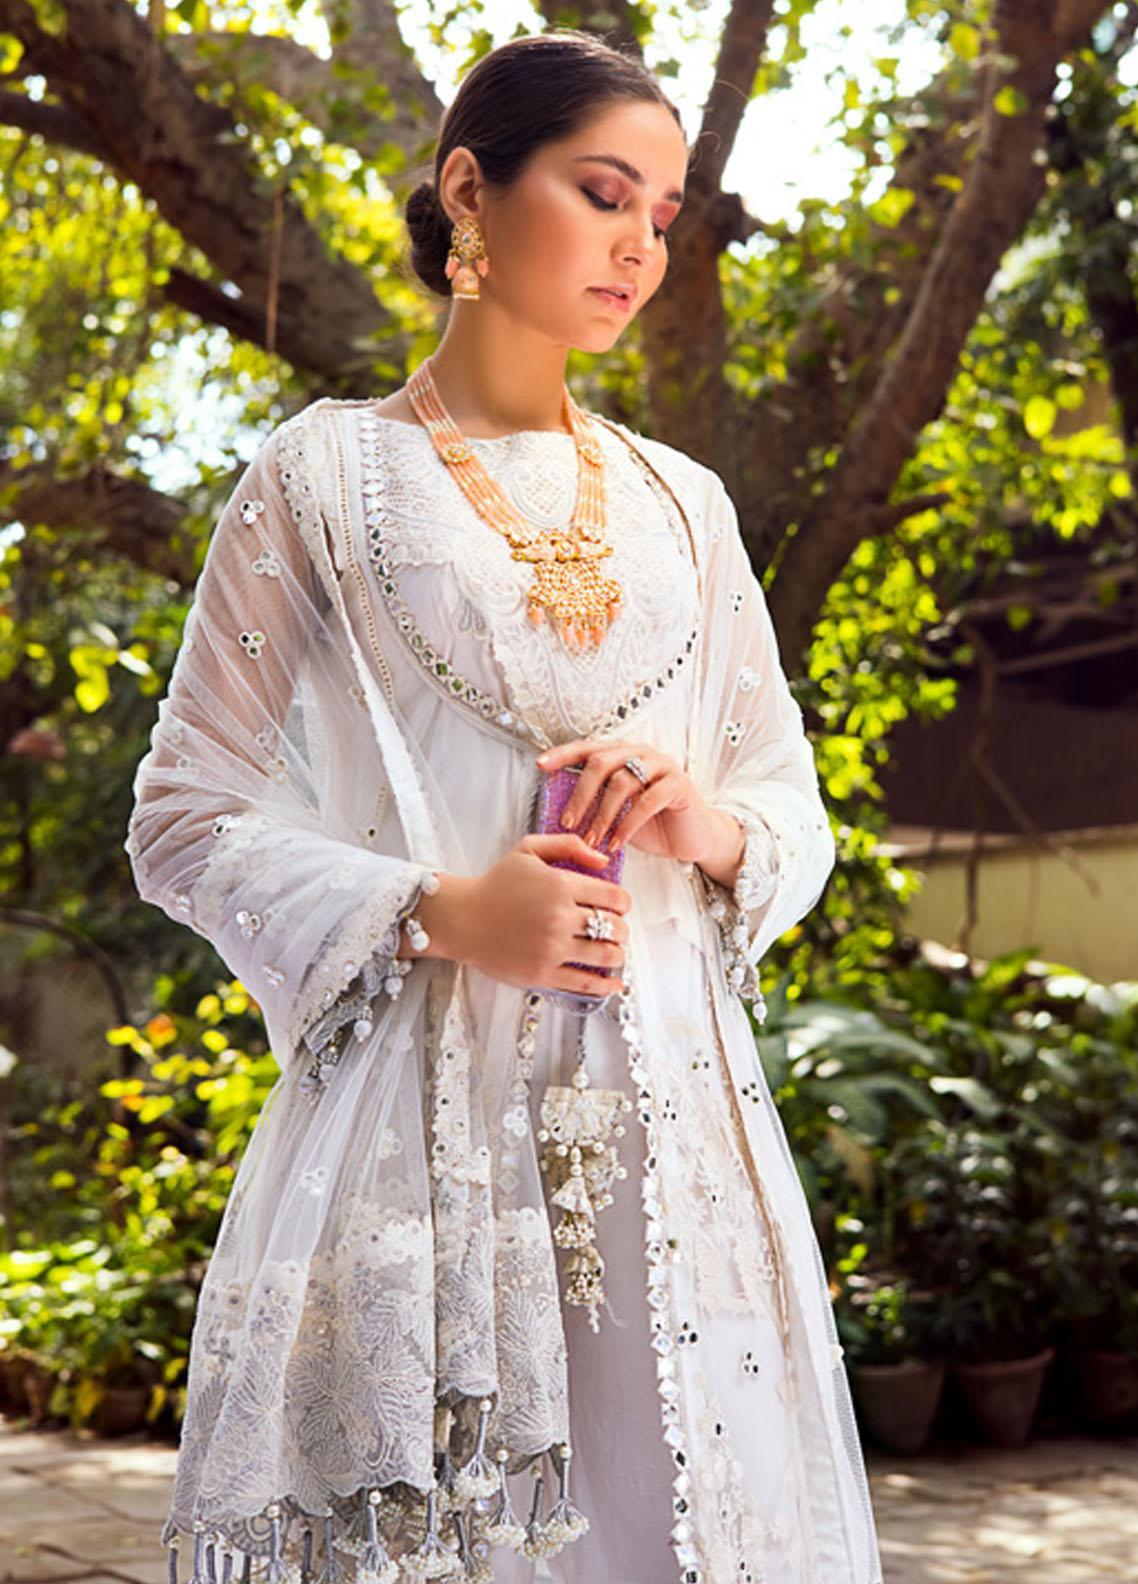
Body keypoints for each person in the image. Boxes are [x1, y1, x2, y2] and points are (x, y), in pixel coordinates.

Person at [124, 27, 883, 1584]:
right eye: (603, 193)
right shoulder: (322, 481)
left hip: (678, 1134)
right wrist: (441, 911)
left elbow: (785, 809)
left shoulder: (686, 504)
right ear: (469, 190)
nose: (639, 246)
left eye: (661, 213)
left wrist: (704, 823)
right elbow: (182, 817)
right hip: (429, 1129)